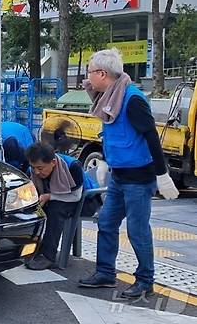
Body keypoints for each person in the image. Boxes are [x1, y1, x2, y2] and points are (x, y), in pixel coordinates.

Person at [78, 48, 179, 298]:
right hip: (119, 176)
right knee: (107, 222)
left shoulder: (131, 99)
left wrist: (162, 174)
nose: (88, 78)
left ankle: (145, 280)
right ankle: (105, 273)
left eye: (90, 72)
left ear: (102, 73)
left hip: (139, 178)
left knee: (137, 230)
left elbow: (151, 136)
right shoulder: (110, 97)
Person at [25, 142, 83, 270]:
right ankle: (32, 249)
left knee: (55, 210)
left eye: (40, 168)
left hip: (83, 200)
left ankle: (48, 256)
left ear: (53, 162)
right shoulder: (33, 171)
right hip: (51, 199)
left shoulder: (73, 167)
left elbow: (76, 197)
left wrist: (49, 197)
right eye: (33, 167)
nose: (36, 172)